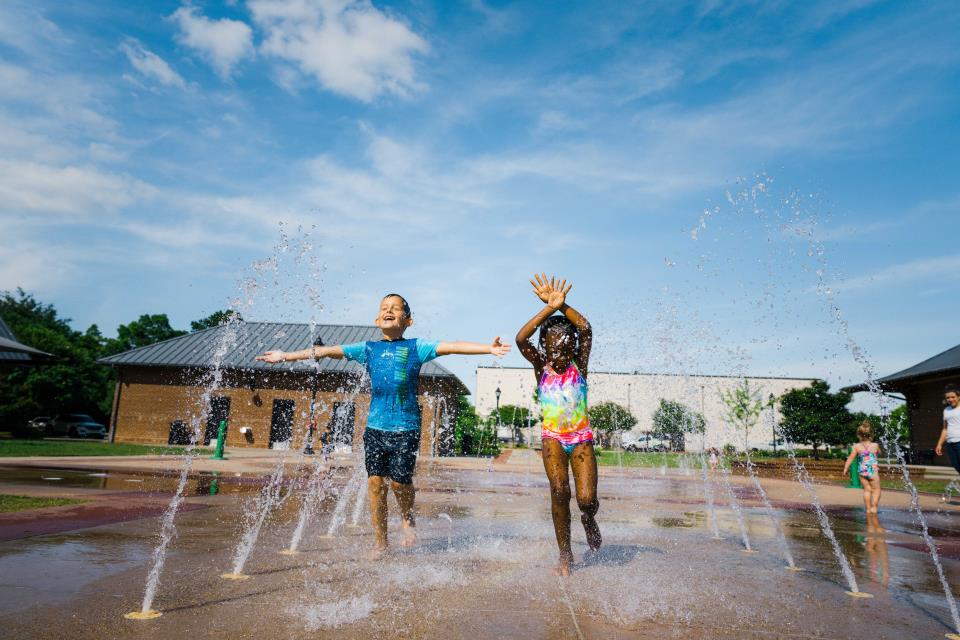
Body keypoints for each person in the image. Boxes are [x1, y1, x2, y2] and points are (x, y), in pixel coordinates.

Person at [256, 293, 510, 557]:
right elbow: (325, 351)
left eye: (396, 309)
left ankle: (408, 518)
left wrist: (488, 348)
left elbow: (453, 346)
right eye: (384, 308)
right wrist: (286, 356)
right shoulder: (368, 349)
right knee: (375, 484)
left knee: (400, 483)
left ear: (408, 320)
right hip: (375, 429)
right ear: (377, 319)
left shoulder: (415, 347)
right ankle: (381, 543)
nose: (389, 311)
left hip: (406, 428)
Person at [516, 274, 600, 577]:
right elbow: (520, 339)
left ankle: (589, 519)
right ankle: (565, 555)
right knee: (560, 491)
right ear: (545, 349)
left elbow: (586, 328)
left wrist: (563, 307)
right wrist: (547, 310)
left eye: (566, 350)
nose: (560, 356)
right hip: (553, 438)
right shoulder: (542, 367)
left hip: (581, 439)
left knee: (587, 499)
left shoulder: (580, 364)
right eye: (554, 350)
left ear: (573, 349)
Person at [843, 420, 881, 513]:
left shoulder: (856, 446)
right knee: (876, 490)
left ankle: (868, 509)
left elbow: (851, 458)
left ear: (858, 435)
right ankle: (874, 507)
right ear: (871, 434)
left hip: (862, 471)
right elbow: (879, 453)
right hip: (873, 471)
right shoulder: (875, 445)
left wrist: (846, 468)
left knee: (867, 490)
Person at [935, 384, 960, 473]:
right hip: (950, 443)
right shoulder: (946, 410)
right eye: (948, 398)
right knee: (957, 466)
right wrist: (939, 444)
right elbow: (945, 429)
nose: (950, 399)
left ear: (958, 397)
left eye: (953, 397)